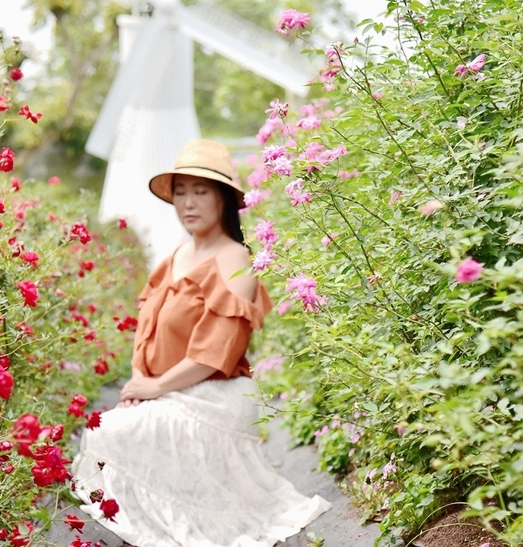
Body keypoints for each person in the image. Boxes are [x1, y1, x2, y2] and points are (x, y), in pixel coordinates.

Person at [71, 138, 331, 547]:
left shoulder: (237, 261)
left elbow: (217, 351)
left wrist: (155, 388)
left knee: (118, 433)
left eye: (200, 191)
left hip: (214, 391)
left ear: (223, 198)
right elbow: (147, 331)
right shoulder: (174, 257)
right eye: (181, 192)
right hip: (169, 389)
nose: (188, 203)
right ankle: (158, 531)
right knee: (110, 427)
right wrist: (141, 383)